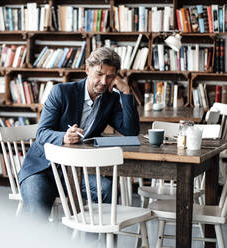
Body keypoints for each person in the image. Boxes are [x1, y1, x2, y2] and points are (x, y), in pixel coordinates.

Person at [18, 47, 140, 219]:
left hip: (74, 174)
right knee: (37, 217)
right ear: (87, 70)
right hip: (42, 169)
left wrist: (126, 93)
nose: (104, 81)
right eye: (99, 74)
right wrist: (63, 137)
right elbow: (42, 133)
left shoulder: (110, 99)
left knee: (107, 189)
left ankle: (91, 241)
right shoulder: (61, 92)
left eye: (110, 76)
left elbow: (130, 131)